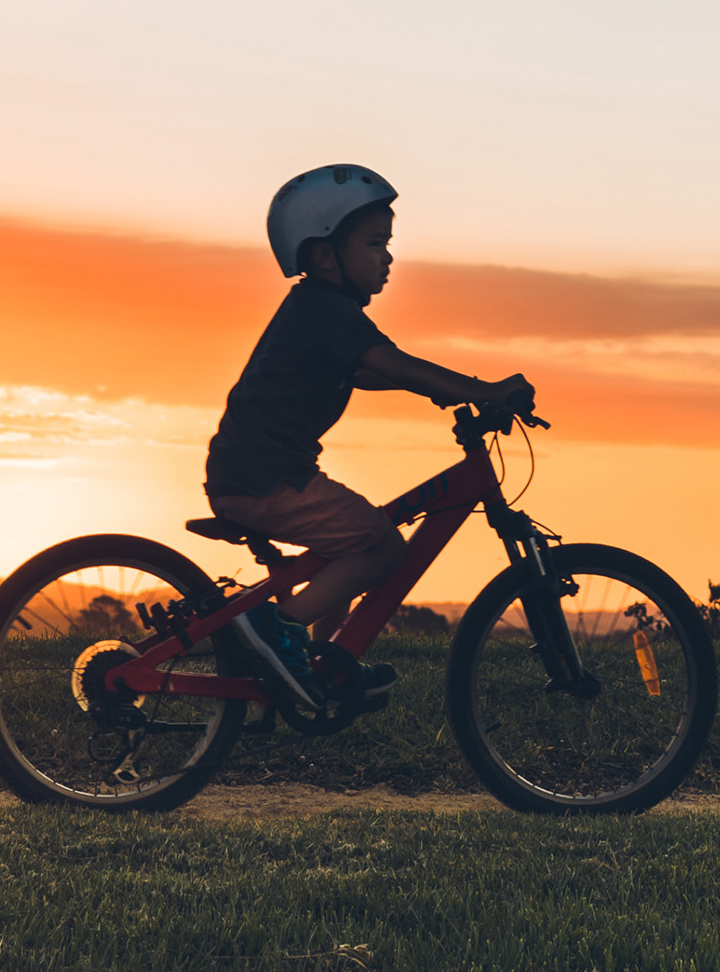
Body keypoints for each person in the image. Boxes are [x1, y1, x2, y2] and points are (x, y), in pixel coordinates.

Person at [204, 164, 535, 710]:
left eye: (388, 243)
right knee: (380, 544)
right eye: (376, 243)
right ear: (325, 255)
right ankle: (275, 626)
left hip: (258, 473)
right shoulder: (328, 310)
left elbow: (367, 371)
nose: (388, 257)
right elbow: (392, 363)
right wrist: (483, 389)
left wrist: (443, 390)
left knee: (350, 542)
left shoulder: (317, 311)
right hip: (268, 479)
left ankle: (316, 667)